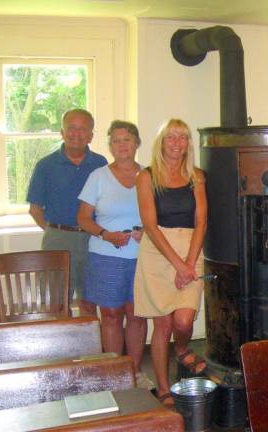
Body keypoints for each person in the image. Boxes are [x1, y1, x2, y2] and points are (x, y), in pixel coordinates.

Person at [134, 118, 208, 406]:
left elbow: (201, 222)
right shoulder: (146, 176)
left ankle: (183, 349)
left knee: (184, 319)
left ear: (188, 143)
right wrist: (178, 266)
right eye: (171, 137)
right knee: (162, 325)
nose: (177, 143)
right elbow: (150, 226)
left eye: (182, 137)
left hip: (191, 247)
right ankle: (164, 388)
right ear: (161, 142)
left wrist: (188, 264)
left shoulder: (197, 176)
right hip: (158, 250)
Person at [76, 120, 153, 390]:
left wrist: (148, 231)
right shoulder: (98, 176)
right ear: (110, 145)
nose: (122, 145)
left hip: (141, 256)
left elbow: (160, 216)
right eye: (116, 140)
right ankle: (113, 373)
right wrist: (104, 234)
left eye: (127, 139)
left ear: (137, 143)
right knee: (110, 314)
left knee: (137, 314)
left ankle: (133, 372)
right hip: (105, 255)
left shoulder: (149, 175)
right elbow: (83, 218)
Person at [27, 109, 108, 316]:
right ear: (62, 132)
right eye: (71, 128)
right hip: (57, 239)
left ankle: (89, 348)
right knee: (57, 304)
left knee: (89, 303)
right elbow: (35, 209)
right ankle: (61, 348)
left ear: (91, 135)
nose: (76, 134)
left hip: (93, 240)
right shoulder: (45, 165)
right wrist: (56, 231)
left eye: (83, 129)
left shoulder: (101, 164)